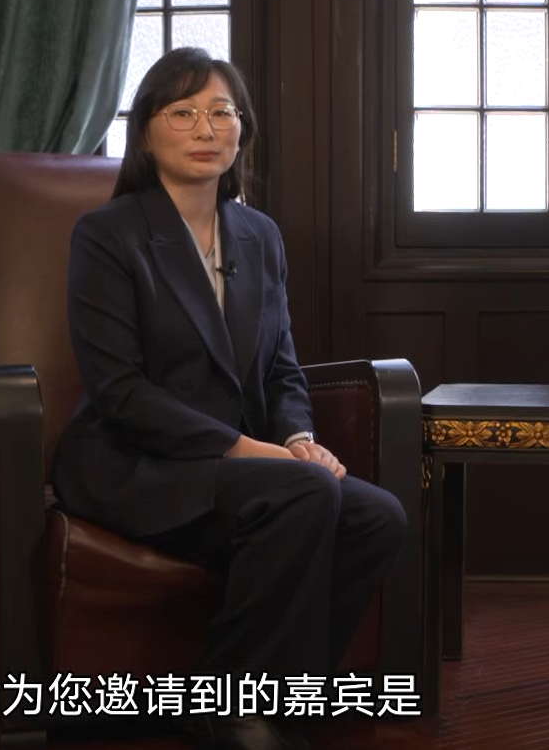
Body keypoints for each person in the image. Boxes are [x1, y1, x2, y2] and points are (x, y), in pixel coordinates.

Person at [50, 47, 407, 750]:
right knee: (305, 494)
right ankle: (240, 716)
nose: (206, 127)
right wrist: (252, 450)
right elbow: (120, 393)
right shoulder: (108, 236)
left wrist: (299, 438)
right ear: (146, 132)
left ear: (242, 130)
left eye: (222, 111)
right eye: (183, 112)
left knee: (378, 516)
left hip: (240, 472)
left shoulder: (259, 236)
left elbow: (282, 367)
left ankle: (257, 700)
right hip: (134, 463)